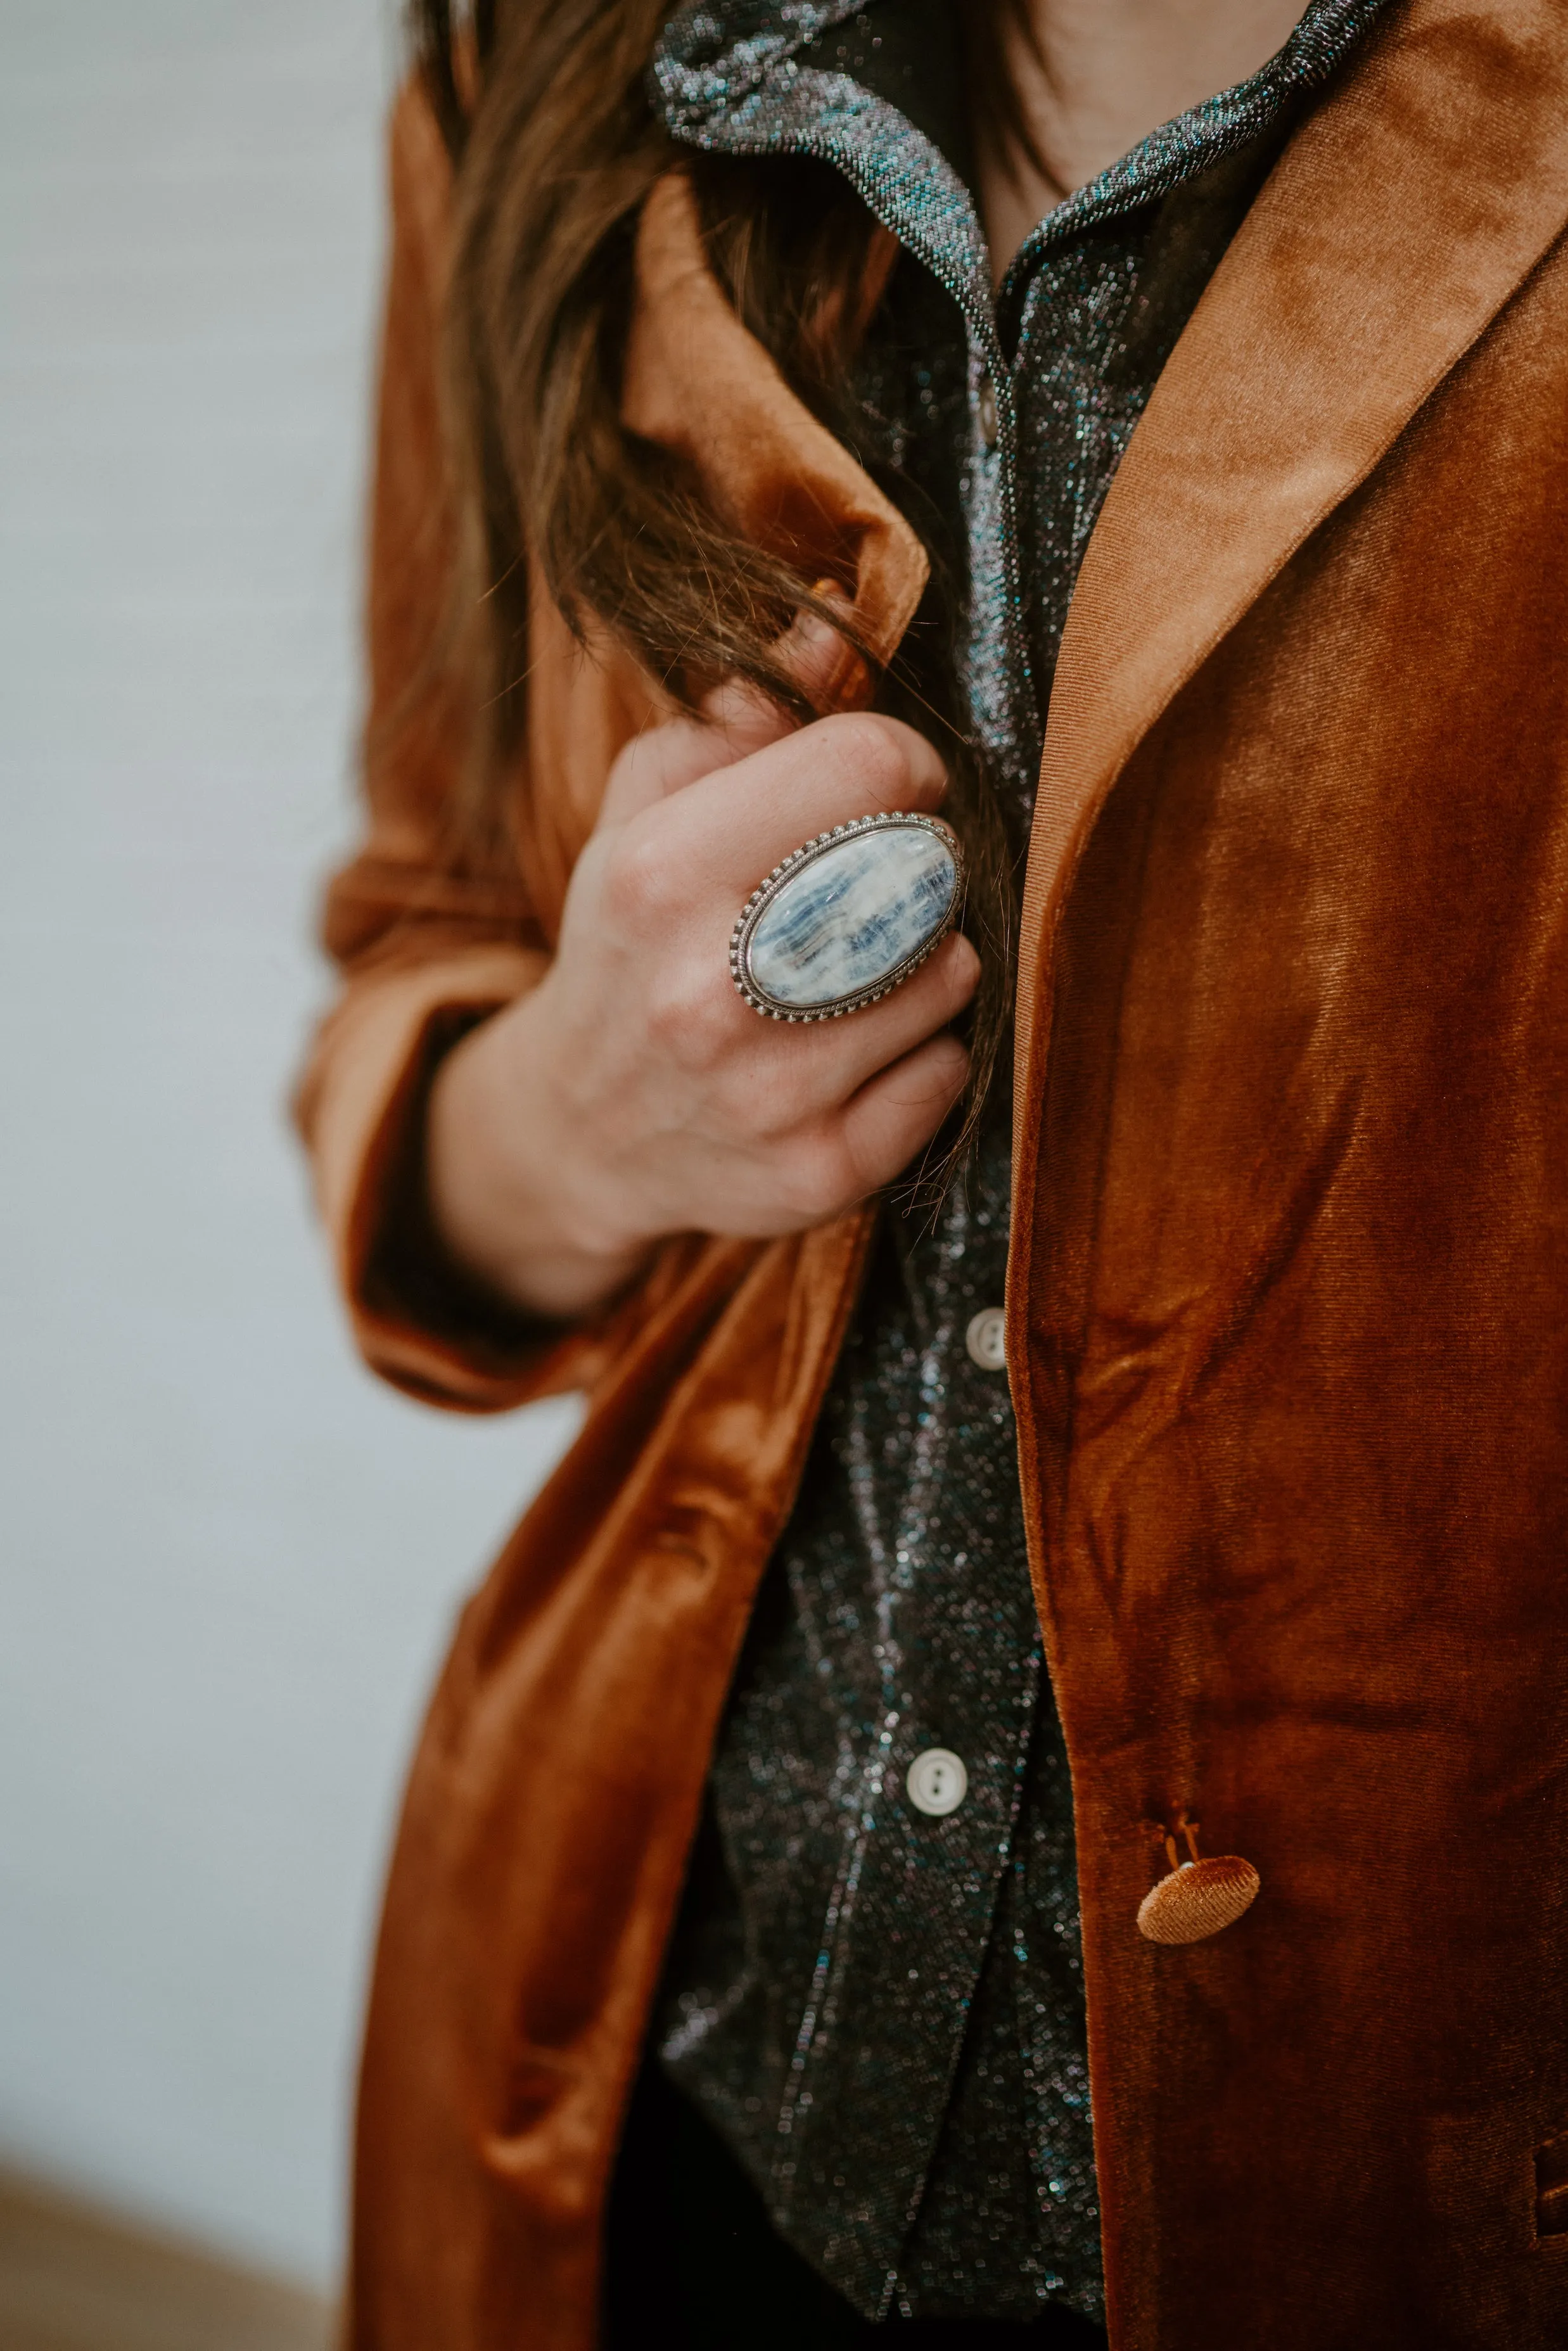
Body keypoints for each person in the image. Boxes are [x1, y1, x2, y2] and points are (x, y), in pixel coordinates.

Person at [295, 0, 1568, 2344]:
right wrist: (582, 1106)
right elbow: (418, 939)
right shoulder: (538, 60)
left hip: (1424, 2193)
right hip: (641, 2075)